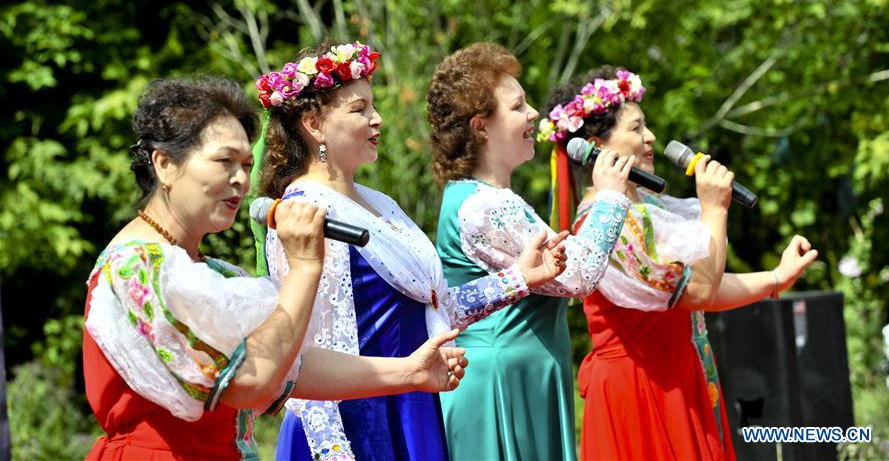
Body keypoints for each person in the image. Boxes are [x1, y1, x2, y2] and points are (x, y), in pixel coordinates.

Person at [83, 77, 470, 460]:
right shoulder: (136, 266)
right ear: (165, 164)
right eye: (224, 161)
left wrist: (410, 372)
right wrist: (303, 268)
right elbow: (251, 381)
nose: (239, 179)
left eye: (246, 164)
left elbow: (293, 368)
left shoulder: (215, 273)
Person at [253, 41, 569, 461]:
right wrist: (334, 452)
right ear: (313, 123)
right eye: (359, 109)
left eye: (374, 106)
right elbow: (307, 356)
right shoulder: (307, 214)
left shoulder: (378, 203)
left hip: (408, 403)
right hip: (356, 424)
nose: (376, 119)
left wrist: (520, 279)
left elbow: (431, 313)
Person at [541, 66, 819, 460]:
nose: (651, 137)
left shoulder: (648, 208)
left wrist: (776, 278)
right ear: (596, 146)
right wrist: (714, 209)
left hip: (676, 378)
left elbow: (696, 291)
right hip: (642, 389)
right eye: (636, 129)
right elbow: (702, 290)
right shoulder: (608, 225)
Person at [425, 43, 636, 461]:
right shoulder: (486, 205)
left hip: (520, 374)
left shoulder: (480, 197)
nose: (533, 114)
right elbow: (577, 276)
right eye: (518, 106)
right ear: (481, 127)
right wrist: (609, 198)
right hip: (503, 383)